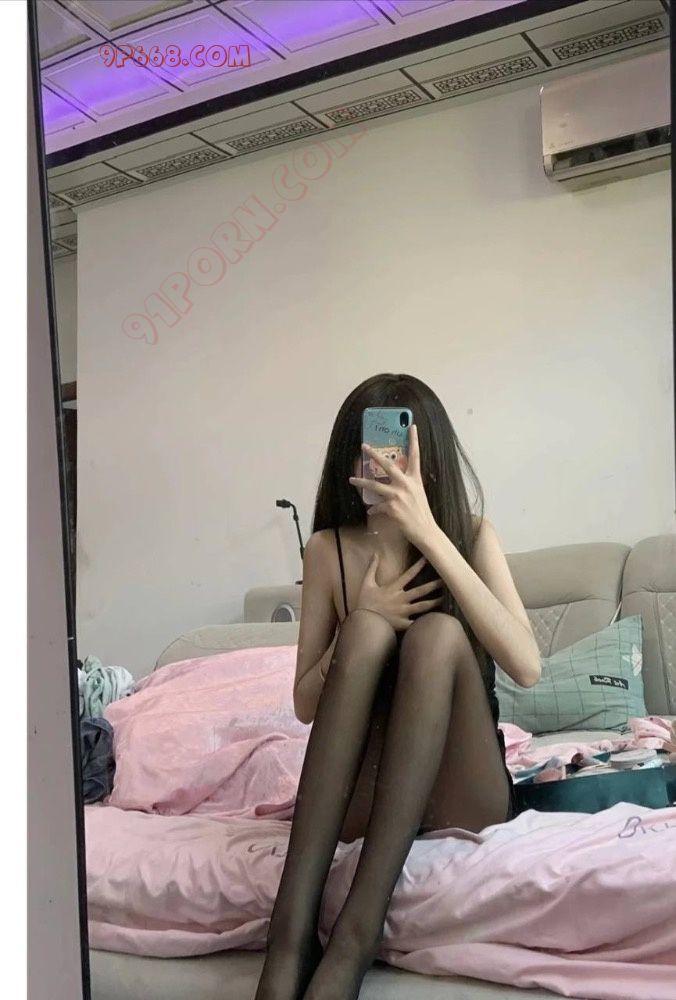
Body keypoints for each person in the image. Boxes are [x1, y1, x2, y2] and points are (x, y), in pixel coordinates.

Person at [254, 373, 541, 1000]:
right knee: (362, 631)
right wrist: (365, 616)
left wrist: (430, 533)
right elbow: (305, 705)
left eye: (399, 445)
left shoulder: (471, 535)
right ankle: (290, 934)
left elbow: (526, 666)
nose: (386, 460)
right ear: (350, 454)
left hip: (463, 791)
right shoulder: (327, 549)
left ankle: (355, 935)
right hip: (369, 793)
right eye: (373, 445)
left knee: (438, 636)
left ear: (425, 451)